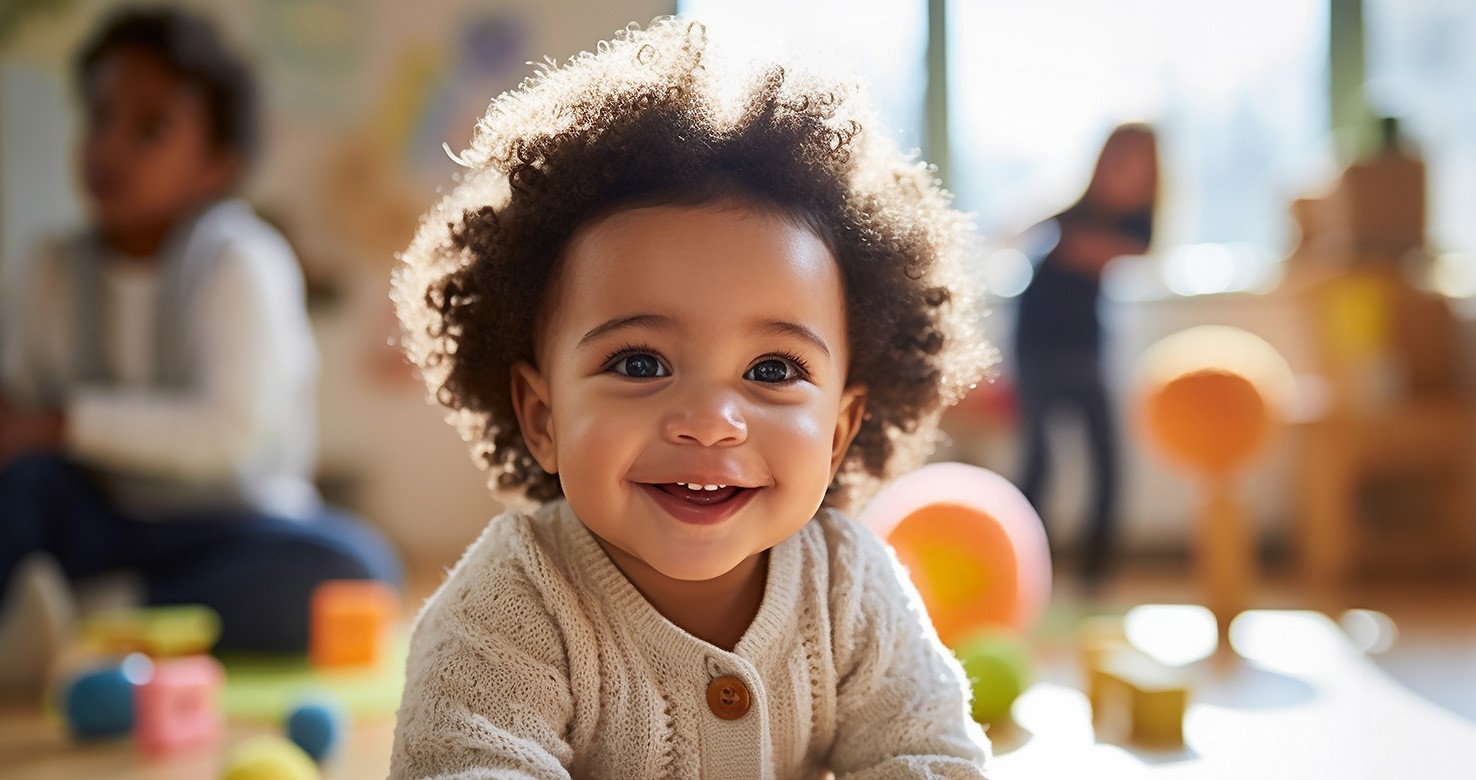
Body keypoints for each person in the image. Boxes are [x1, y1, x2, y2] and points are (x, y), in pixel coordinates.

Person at [385, 17, 996, 777]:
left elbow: (932, 756)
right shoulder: (511, 605)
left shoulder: (849, 587)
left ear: (839, 431)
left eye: (772, 370)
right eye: (640, 363)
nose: (710, 422)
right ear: (543, 418)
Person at [0, 6, 399, 690]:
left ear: (218, 165)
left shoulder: (243, 261)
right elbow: (25, 419)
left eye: (149, 128)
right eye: (100, 117)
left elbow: (232, 437)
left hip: (228, 528)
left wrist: (63, 423)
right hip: (97, 516)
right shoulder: (52, 267)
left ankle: (95, 617)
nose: (109, 146)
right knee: (22, 489)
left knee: (352, 569)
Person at [1012, 124, 1159, 592]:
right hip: (1037, 343)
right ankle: (1022, 566)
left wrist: (1082, 246)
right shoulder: (1075, 213)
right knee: (1039, 462)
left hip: (1085, 348)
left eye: (1139, 163)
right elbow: (1028, 235)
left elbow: (1105, 252)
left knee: (1107, 461)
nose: (1126, 171)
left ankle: (1096, 572)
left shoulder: (1137, 224)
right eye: (1120, 159)